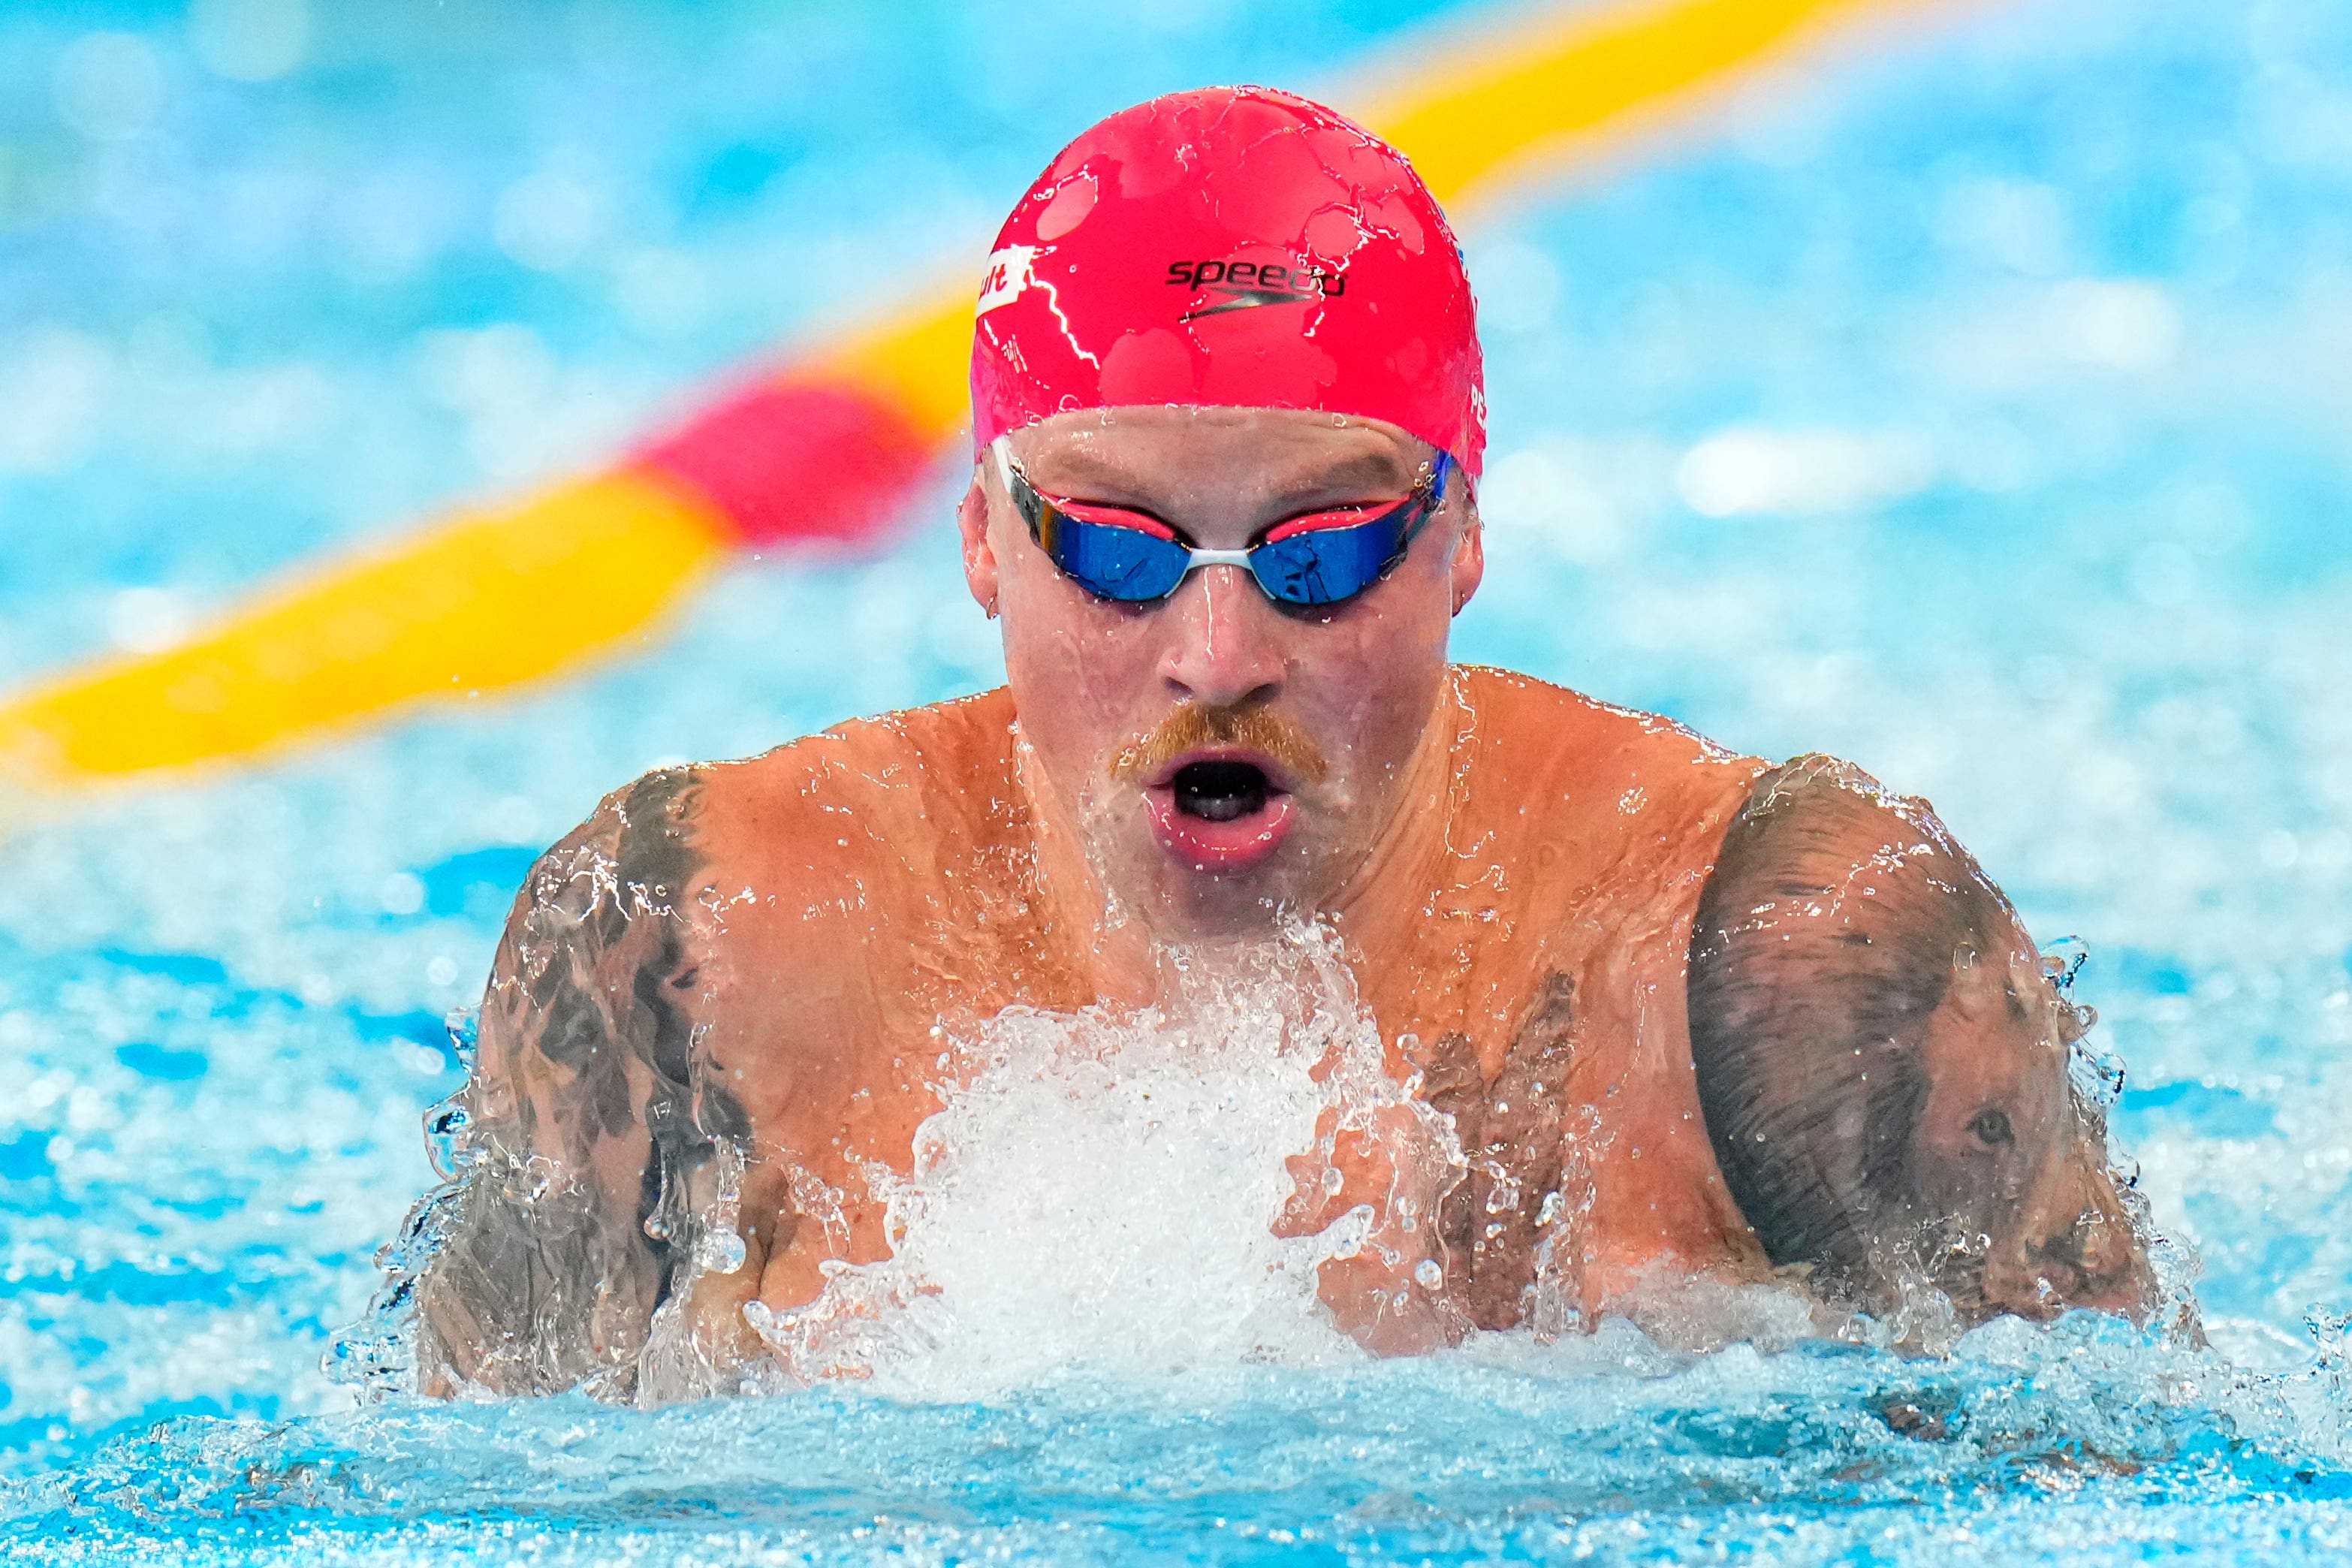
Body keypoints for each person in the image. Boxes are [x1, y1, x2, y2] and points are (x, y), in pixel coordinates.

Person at [410, 86, 2155, 1399]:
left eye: (1323, 557)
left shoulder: (1770, 958)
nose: (1218, 655)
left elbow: (2137, 1481)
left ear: (1464, 539)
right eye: (1111, 550)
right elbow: (430, 1506)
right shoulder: (688, 950)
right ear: (978, 546)